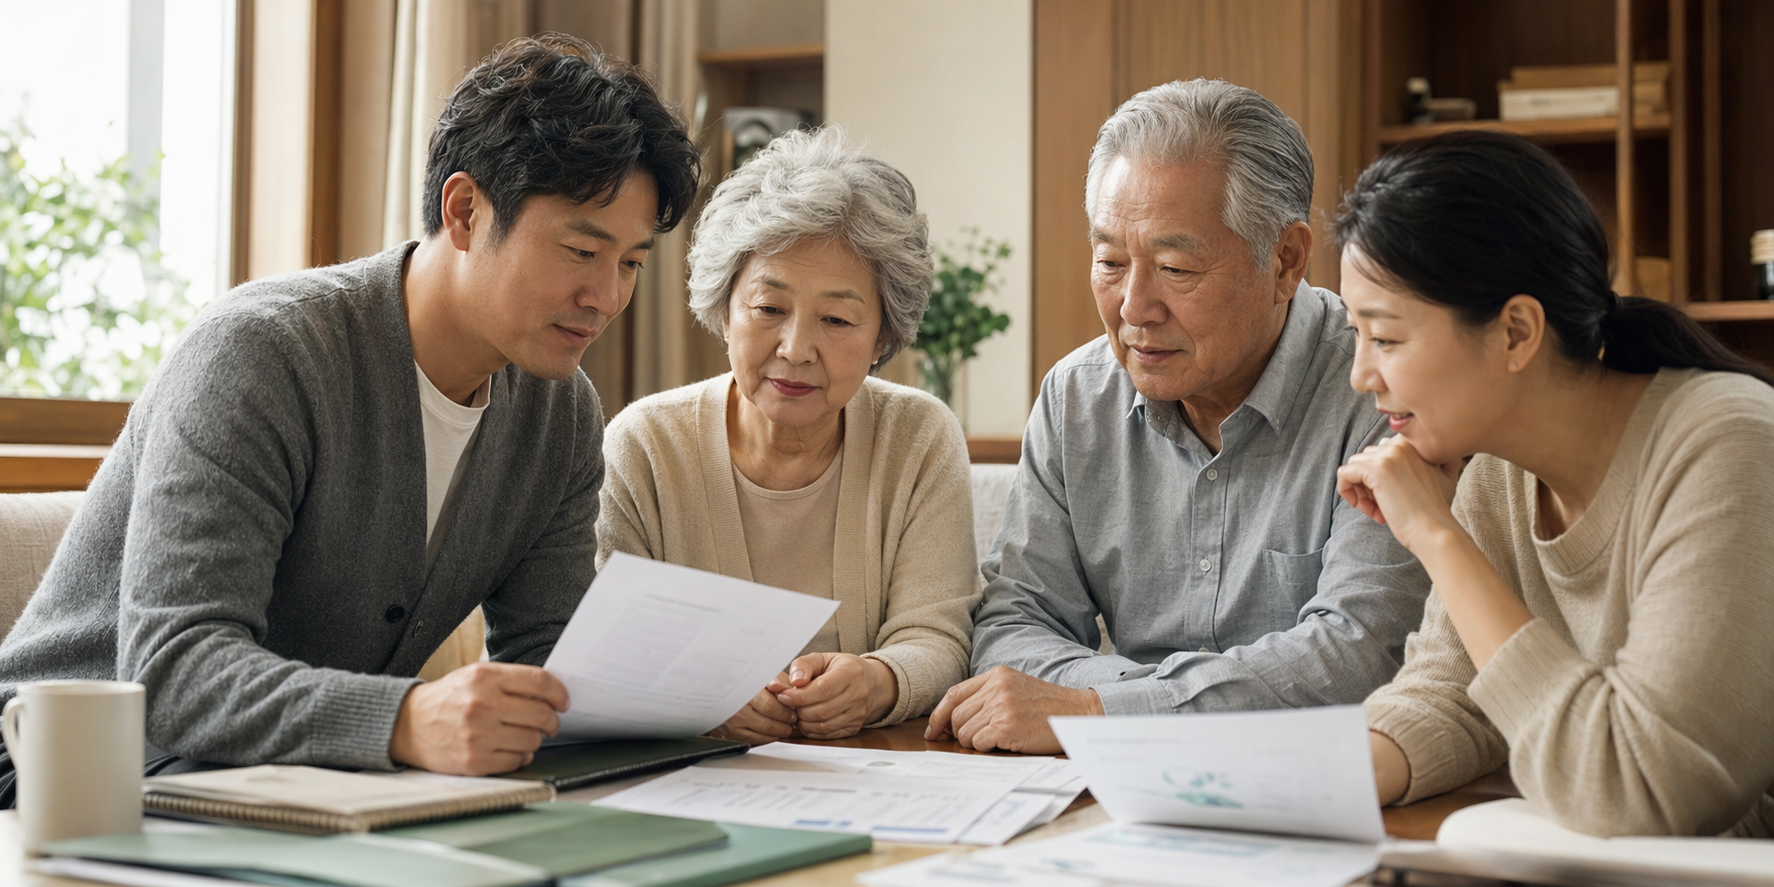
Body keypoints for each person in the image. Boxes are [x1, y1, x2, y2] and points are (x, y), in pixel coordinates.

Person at [0, 35, 701, 790]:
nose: (606, 297)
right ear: (465, 211)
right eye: (581, 251)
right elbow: (174, 672)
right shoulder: (263, 352)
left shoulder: (560, 414)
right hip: (66, 773)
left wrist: (698, 704)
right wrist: (408, 719)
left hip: (297, 781)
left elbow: (549, 660)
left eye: (631, 263)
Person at [928, 79, 1431, 754]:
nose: (1134, 307)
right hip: (1111, 784)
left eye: (1174, 267)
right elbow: (1012, 626)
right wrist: (1137, 707)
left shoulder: (1380, 394)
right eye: (1110, 261)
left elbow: (1360, 654)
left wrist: (1099, 709)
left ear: (1285, 261)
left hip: (1321, 780)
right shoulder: (1077, 398)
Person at [1339, 131, 1774, 838]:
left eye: (1384, 337)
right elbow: (1454, 696)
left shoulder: (1729, 445)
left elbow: (1641, 788)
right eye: (1356, 336)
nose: (1362, 375)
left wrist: (1439, 536)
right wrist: (1298, 781)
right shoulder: (1498, 473)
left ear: (1516, 331)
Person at [597, 128, 978, 743]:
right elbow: (608, 647)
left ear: (882, 337)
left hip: (878, 767)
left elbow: (937, 635)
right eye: (769, 309)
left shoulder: (918, 438)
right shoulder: (645, 445)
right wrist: (701, 696)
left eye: (837, 319)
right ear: (725, 311)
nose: (796, 349)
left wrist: (877, 680)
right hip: (692, 777)